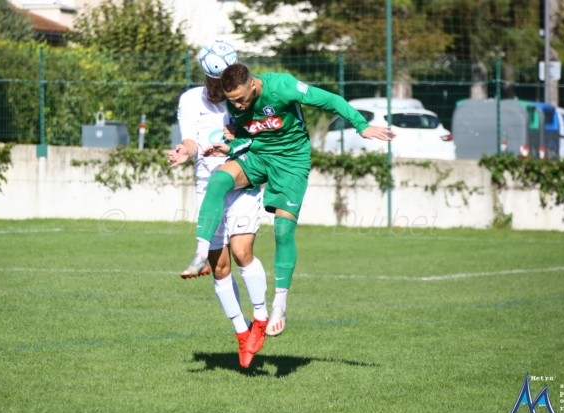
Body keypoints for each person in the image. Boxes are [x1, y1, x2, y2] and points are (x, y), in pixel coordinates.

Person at [183, 63, 395, 351]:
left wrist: (361, 125)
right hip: (258, 155)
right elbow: (246, 138)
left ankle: (280, 304)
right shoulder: (235, 103)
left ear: (253, 84)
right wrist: (229, 148)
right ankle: (199, 253)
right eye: (232, 100)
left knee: (283, 229)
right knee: (219, 179)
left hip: (292, 162)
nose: (237, 104)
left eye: (241, 98)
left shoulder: (282, 86)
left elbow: (330, 100)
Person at [167, 42, 267, 369]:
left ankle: (262, 317)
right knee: (220, 266)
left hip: (241, 181)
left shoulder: (243, 98)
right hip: (206, 186)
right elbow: (192, 140)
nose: (214, 89)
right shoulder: (189, 99)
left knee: (241, 253)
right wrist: (185, 151)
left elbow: (257, 137)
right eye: (209, 81)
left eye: (219, 82)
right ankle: (242, 332)